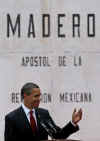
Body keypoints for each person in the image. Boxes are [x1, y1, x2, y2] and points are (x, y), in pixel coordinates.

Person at [4, 82, 82, 141]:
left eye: (40, 95)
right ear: (25, 96)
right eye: (36, 96)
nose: (39, 99)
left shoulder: (43, 114)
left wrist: (73, 123)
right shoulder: (12, 118)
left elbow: (57, 135)